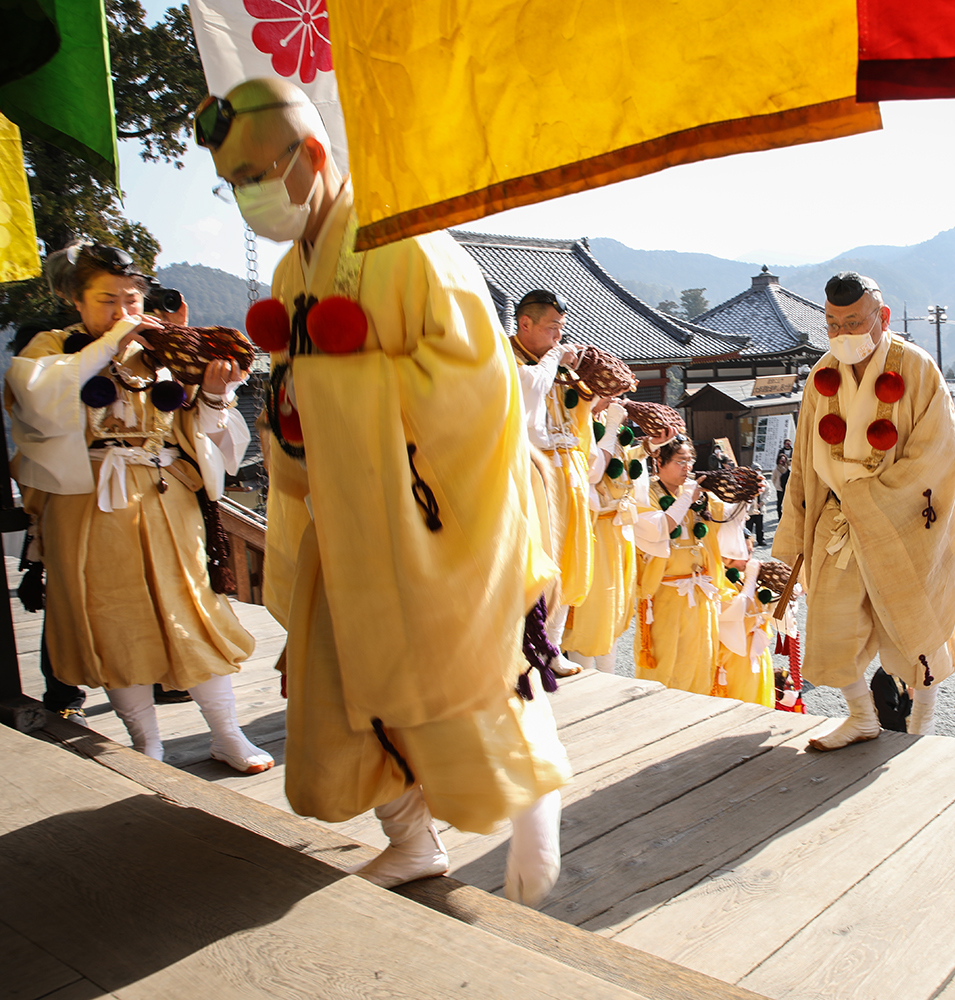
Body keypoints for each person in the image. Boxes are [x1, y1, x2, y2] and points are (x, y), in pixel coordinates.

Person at [205, 79, 570, 899]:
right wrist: (295, 415)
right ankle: (411, 839)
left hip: (429, 514)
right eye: (234, 183)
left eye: (255, 175)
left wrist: (334, 389)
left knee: (463, 678)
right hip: (347, 518)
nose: (248, 196)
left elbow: (478, 383)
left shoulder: (406, 244)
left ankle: (533, 807)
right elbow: (299, 397)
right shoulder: (295, 267)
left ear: (312, 155)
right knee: (341, 688)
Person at [4, 241, 269, 772]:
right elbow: (36, 399)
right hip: (87, 500)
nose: (123, 311)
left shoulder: (164, 349)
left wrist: (215, 393)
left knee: (192, 610)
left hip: (166, 493)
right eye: (107, 300)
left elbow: (198, 429)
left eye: (131, 300)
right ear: (75, 299)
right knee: (113, 620)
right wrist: (113, 342)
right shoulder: (54, 347)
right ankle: (146, 743)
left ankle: (227, 734)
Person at [772, 271, 955, 744]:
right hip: (838, 516)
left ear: (882, 317)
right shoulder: (822, 374)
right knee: (831, 620)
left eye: (853, 322)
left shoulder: (917, 368)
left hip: (904, 518)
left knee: (914, 621)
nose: (842, 333)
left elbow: (939, 453)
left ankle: (922, 722)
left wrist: (874, 498)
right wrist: (797, 527)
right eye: (832, 324)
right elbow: (803, 461)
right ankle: (861, 716)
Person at [510, 288, 595, 677]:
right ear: (525, 323)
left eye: (562, 329)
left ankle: (551, 645)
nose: (558, 337)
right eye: (552, 327)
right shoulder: (509, 356)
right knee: (533, 558)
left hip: (565, 471)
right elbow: (528, 392)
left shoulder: (553, 364)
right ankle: (521, 645)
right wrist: (554, 358)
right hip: (527, 471)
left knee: (567, 559)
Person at [634, 435, 743, 692]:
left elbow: (729, 518)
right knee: (666, 661)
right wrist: (687, 498)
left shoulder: (696, 493)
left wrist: (744, 495)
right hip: (665, 595)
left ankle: (698, 706)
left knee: (701, 657)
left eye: (690, 461)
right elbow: (658, 528)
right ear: (658, 462)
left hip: (701, 592)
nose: (688, 467)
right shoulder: (645, 494)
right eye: (680, 461)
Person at [562, 395, 645, 673]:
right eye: (609, 392)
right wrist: (610, 428)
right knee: (592, 609)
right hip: (593, 528)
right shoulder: (577, 418)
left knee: (614, 607)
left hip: (618, 529)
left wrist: (650, 447)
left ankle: (609, 676)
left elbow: (624, 472)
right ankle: (585, 677)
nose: (615, 399)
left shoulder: (606, 423)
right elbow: (593, 472)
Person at [715, 557, 778, 707]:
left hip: (757, 650)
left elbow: (772, 615)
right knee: (738, 699)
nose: (749, 560)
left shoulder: (745, 575)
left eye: (750, 553)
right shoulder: (719, 578)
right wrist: (751, 579)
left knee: (757, 697)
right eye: (743, 554)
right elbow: (737, 609)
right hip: (733, 656)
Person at [746, 462, 769, 547]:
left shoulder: (764, 482)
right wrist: (753, 503)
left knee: (760, 526)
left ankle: (761, 539)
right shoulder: (748, 482)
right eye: (756, 470)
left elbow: (767, 493)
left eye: (759, 470)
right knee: (749, 526)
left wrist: (762, 502)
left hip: (760, 507)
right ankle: (748, 541)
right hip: (750, 508)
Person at [775, 438, 792, 517]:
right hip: (780, 487)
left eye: (789, 443)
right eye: (786, 443)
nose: (788, 445)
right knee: (780, 501)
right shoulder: (777, 469)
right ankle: (780, 515)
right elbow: (774, 478)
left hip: (787, 485)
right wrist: (777, 485)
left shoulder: (793, 450)